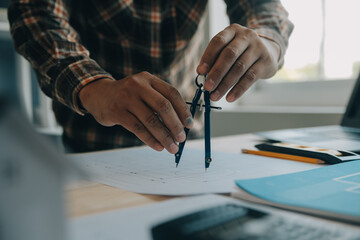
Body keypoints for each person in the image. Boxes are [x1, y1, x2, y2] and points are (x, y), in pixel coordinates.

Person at [8, 0, 293, 153]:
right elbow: (36, 14)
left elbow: (262, 7)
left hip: (189, 143)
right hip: (93, 148)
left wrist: (268, 41)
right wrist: (94, 87)